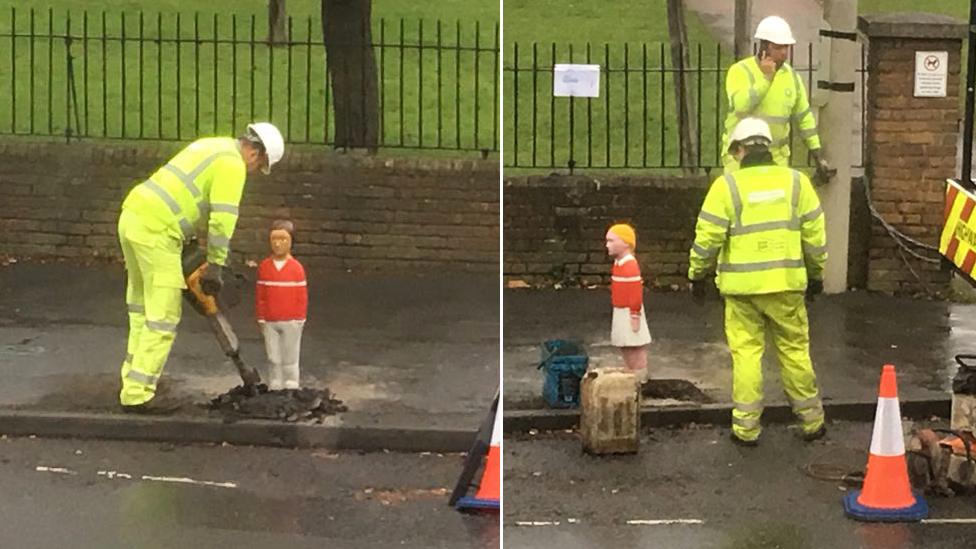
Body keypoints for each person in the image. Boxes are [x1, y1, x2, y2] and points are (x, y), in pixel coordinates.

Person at [117, 122, 285, 412]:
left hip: (133, 216)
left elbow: (182, 193)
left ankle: (132, 382)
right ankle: (138, 395)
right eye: (260, 166)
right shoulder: (233, 165)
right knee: (163, 317)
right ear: (256, 154)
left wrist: (190, 242)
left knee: (142, 308)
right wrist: (216, 265)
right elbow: (222, 221)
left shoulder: (212, 145)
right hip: (158, 232)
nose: (254, 171)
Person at [688, 117, 827, 446]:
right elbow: (815, 237)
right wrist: (816, 274)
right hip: (787, 286)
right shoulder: (797, 183)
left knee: (747, 355)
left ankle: (746, 429)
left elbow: (707, 237)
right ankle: (812, 422)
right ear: (769, 147)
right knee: (795, 352)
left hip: (742, 291)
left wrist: (697, 274)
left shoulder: (727, 187)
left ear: (739, 150)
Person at [722, 15, 831, 182]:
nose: (784, 53)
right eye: (778, 47)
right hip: (741, 158)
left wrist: (816, 152)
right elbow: (741, 106)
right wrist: (766, 79)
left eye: (786, 47)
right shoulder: (740, 71)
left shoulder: (791, 77)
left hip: (776, 161)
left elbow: (804, 118)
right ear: (764, 46)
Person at [256, 219, 308, 390]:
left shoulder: (296, 268)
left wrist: (300, 318)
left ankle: (291, 381)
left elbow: (301, 297)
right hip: (270, 320)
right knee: (273, 355)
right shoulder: (264, 267)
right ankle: (275, 381)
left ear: (291, 242)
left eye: (283, 239)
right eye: (274, 239)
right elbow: (261, 295)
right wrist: (261, 317)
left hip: (291, 321)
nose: (278, 244)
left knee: (290, 354)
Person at [605, 224, 652, 382]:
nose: (607, 245)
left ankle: (640, 379)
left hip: (629, 311)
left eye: (611, 241)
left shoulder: (630, 265)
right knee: (625, 344)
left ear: (625, 243)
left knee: (634, 344)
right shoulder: (619, 263)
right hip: (620, 309)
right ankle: (632, 376)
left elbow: (635, 291)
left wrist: (635, 313)